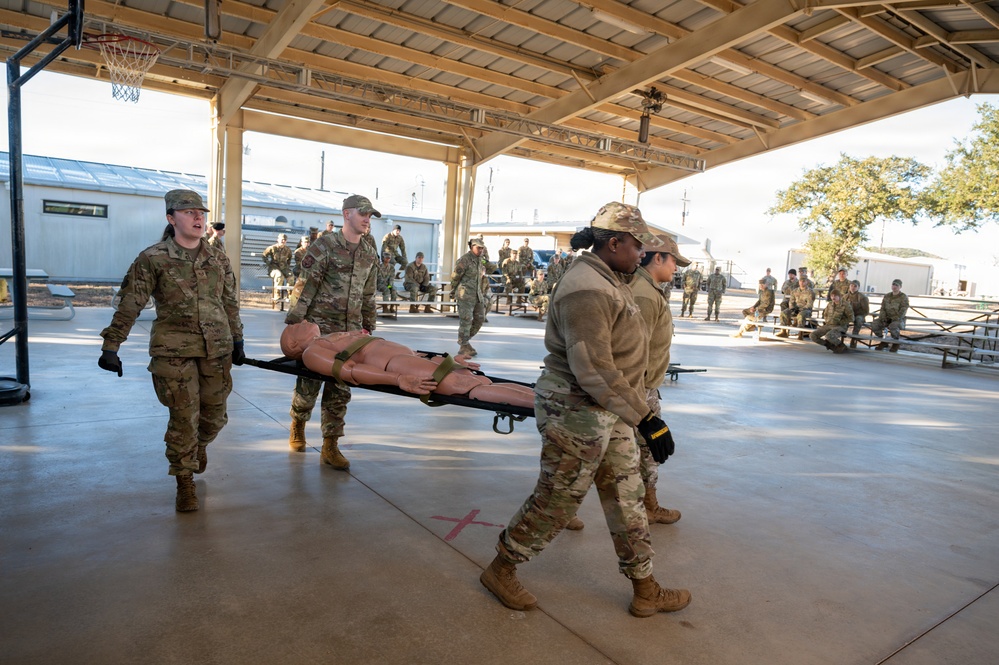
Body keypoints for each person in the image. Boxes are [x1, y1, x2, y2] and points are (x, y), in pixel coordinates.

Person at [480, 201, 690, 619]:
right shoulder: (586, 287)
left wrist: (635, 410)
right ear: (614, 243)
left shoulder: (611, 278)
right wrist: (645, 417)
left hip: (610, 409)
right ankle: (501, 569)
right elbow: (592, 367)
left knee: (627, 495)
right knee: (558, 499)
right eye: (637, 247)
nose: (642, 255)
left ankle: (645, 587)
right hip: (576, 410)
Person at [98, 189, 244, 513]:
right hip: (173, 350)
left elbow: (230, 301)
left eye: (201, 212)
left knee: (215, 417)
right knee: (183, 418)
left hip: (216, 348)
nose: (198, 217)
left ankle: (199, 447)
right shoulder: (152, 258)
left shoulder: (217, 257)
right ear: (170, 218)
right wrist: (112, 345)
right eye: (189, 212)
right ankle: (184, 481)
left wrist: (237, 339)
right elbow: (130, 303)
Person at [285, 194, 380, 469]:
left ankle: (330, 445)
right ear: (346, 214)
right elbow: (305, 286)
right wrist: (296, 323)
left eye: (370, 215)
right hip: (320, 329)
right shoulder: (324, 246)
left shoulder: (368, 252)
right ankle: (298, 423)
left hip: (350, 333)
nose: (367, 219)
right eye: (363, 213)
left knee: (340, 388)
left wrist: (368, 326)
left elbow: (369, 293)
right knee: (309, 383)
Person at [280, 322, 534, 407]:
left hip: (412, 359)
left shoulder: (331, 336)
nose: (300, 321)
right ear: (294, 343)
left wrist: (435, 358)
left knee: (481, 381)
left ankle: (546, 398)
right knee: (468, 386)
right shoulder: (313, 352)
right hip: (398, 366)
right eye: (294, 327)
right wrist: (398, 380)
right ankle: (546, 404)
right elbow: (349, 372)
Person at [624, 232, 688, 526]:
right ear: (658, 257)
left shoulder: (649, 289)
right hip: (638, 387)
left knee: (631, 449)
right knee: (647, 447)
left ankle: (649, 503)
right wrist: (640, 401)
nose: (677, 268)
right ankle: (649, 506)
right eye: (674, 261)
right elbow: (631, 350)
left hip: (643, 385)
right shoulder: (644, 295)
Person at [450, 237, 493, 357]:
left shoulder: (480, 260)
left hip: (477, 295)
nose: (480, 250)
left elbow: (490, 269)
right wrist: (453, 291)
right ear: (471, 247)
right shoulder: (464, 260)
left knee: (480, 318)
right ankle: (463, 346)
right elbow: (455, 277)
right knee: (466, 320)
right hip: (465, 296)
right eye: (478, 248)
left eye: (482, 248)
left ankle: (465, 340)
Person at [872, 279, 909, 352]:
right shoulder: (887, 296)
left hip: (898, 319)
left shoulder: (903, 297)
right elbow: (882, 308)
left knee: (893, 326)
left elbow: (903, 310)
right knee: (874, 324)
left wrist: (895, 319)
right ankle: (883, 340)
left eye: (896, 285)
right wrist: (883, 318)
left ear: (900, 287)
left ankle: (896, 343)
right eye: (893, 285)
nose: (894, 287)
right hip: (886, 318)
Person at [263, 233, 293, 302]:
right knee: (279, 276)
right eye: (282, 240)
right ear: (278, 240)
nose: (283, 241)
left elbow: (290, 258)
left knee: (291, 276)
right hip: (274, 268)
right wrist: (268, 263)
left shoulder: (287, 249)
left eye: (285, 240)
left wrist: (287, 266)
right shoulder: (272, 248)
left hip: (284, 268)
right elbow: (264, 256)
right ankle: (277, 295)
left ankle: (290, 295)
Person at [842, 279, 871, 348]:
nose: (853, 287)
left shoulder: (862, 297)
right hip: (848, 315)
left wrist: (856, 314)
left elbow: (866, 311)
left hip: (859, 315)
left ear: (858, 287)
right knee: (842, 320)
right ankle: (841, 337)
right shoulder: (845, 297)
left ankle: (854, 339)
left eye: (855, 286)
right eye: (851, 285)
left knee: (858, 320)